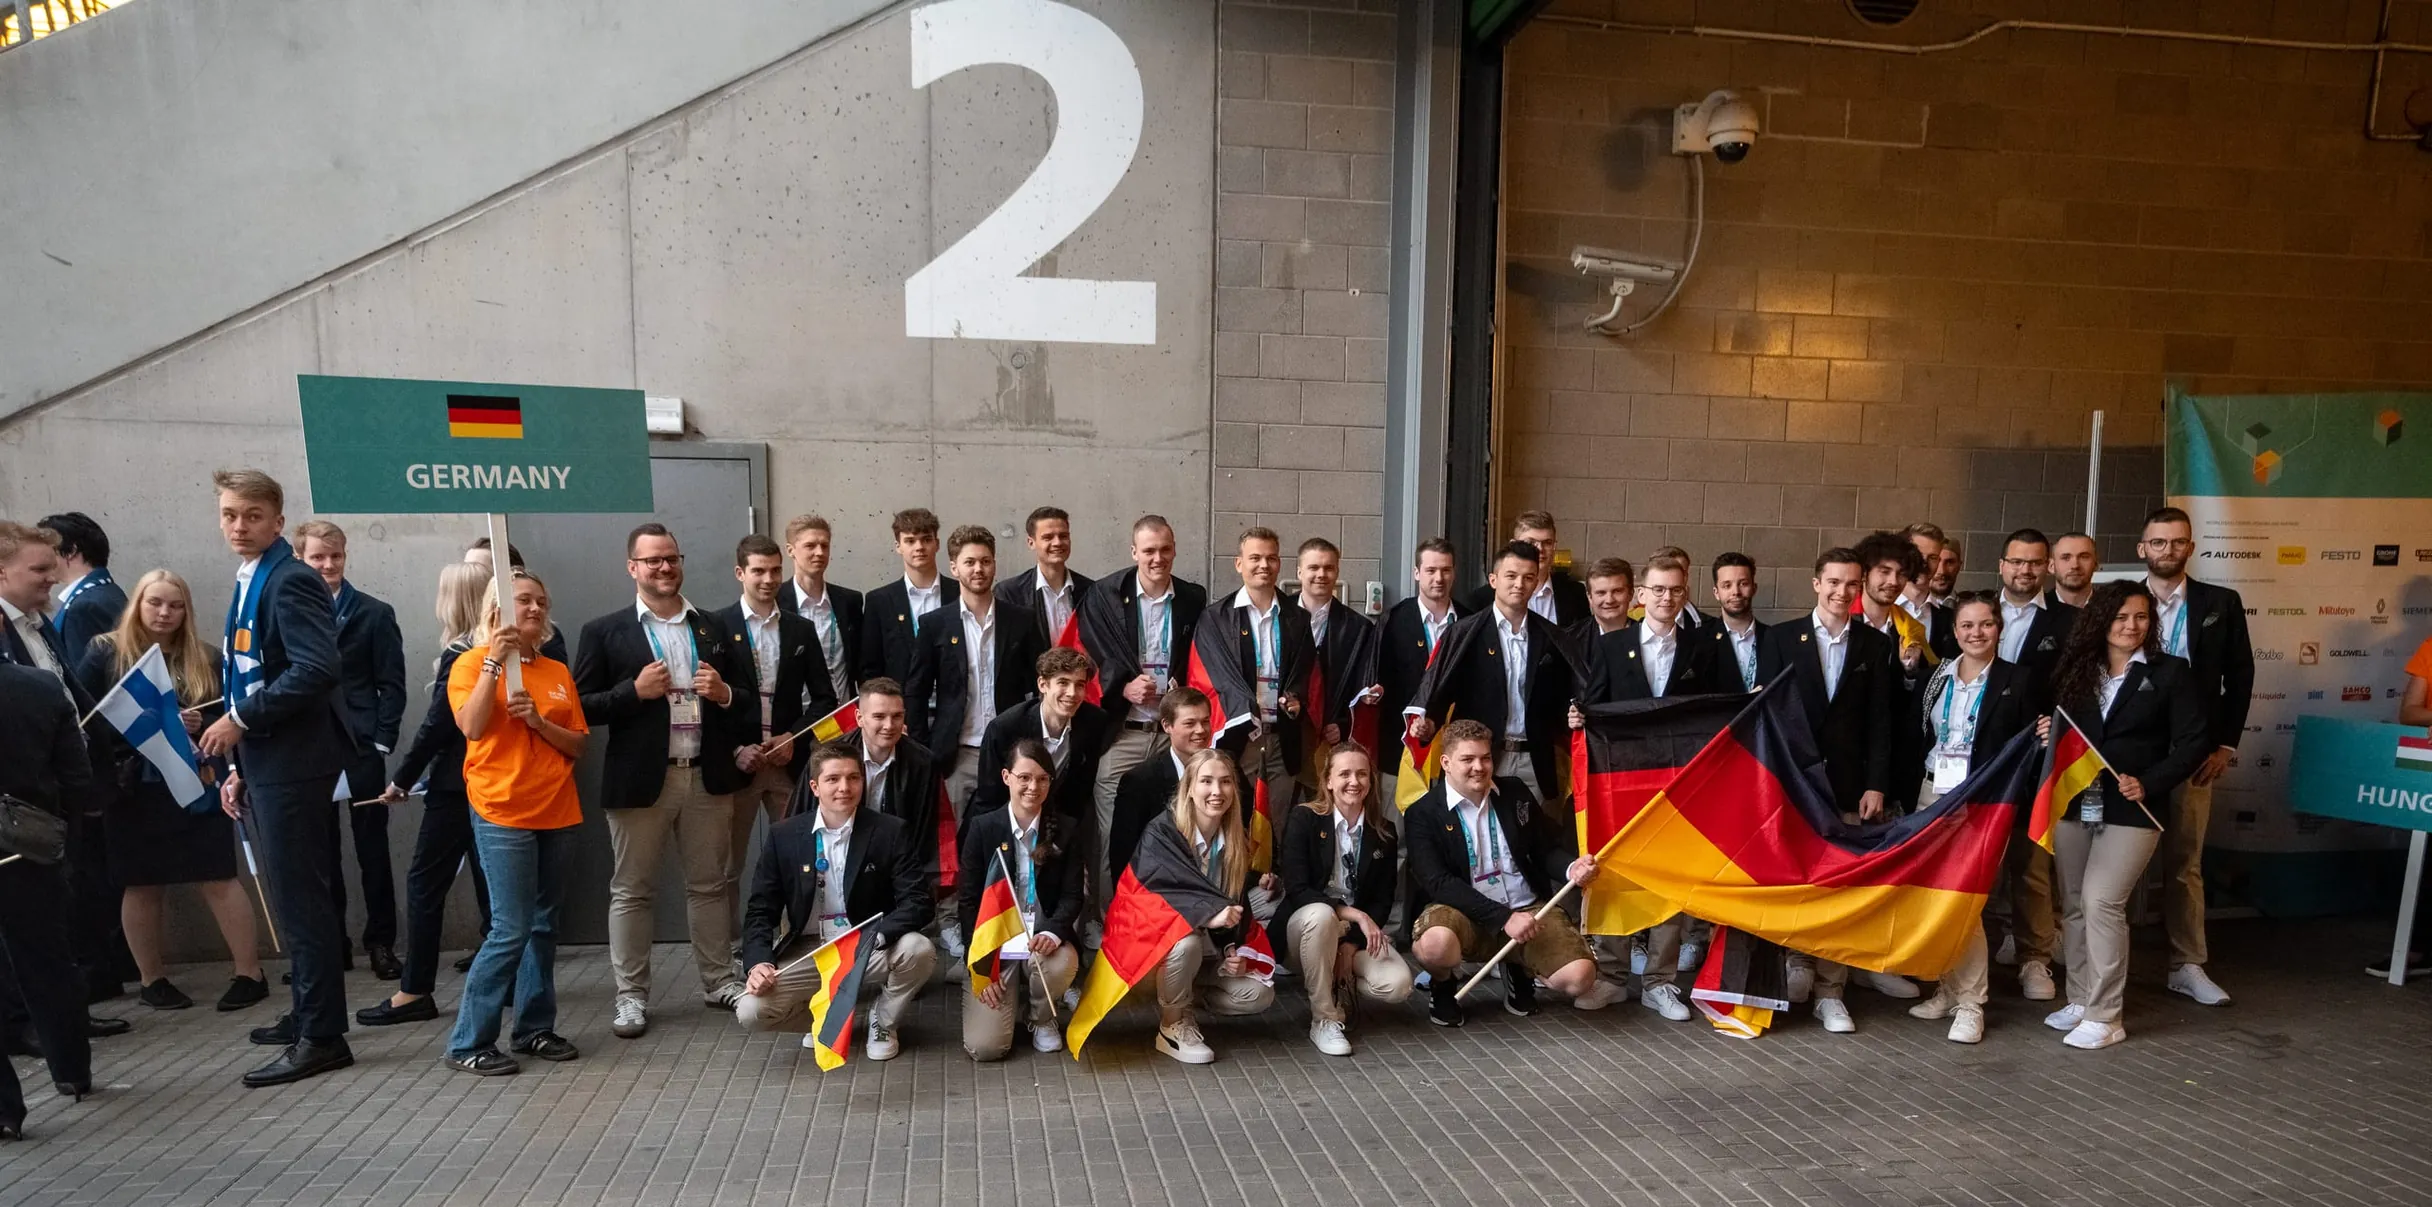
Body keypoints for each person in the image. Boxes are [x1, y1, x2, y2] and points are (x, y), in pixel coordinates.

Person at [194, 469, 359, 1087]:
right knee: (293, 897)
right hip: (268, 760)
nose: (240, 526)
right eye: (230, 514)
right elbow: (251, 672)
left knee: (302, 899)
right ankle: (308, 1014)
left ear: (278, 520)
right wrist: (238, 763)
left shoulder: (289, 578)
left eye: (253, 515)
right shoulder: (253, 575)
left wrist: (238, 723)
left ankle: (322, 1036)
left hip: (296, 762)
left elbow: (317, 669)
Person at [572, 523, 754, 1039]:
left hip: (705, 776)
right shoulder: (605, 632)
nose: (664, 568)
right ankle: (630, 996)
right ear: (633, 568)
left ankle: (719, 982)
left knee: (710, 887)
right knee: (632, 891)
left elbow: (743, 700)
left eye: (671, 558)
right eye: (651, 561)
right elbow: (581, 706)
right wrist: (632, 692)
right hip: (640, 782)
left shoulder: (714, 627)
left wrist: (722, 693)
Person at [74, 571, 267, 1013]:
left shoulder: (205, 657)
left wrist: (204, 727)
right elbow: (83, 719)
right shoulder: (106, 652)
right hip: (134, 789)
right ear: (137, 605)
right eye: (155, 603)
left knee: (218, 875)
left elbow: (229, 718)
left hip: (197, 784)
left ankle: (249, 972)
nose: (165, 613)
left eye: (175, 605)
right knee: (141, 884)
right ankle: (151, 979)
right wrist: (143, 726)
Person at [2044, 580, 2208, 1050]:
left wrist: (2151, 781)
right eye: (2120, 618)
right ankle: (2078, 998)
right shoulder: (2077, 671)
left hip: (2134, 806)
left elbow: (2194, 741)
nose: (2132, 626)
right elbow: (2062, 726)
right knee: (2073, 902)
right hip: (2076, 799)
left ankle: (2106, 1014)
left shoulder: (2171, 672)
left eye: (2141, 617)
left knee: (2102, 901)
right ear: (2101, 622)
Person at [442, 571, 588, 1075]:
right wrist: (491, 664)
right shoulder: (466, 664)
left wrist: (538, 722)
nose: (535, 608)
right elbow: (473, 726)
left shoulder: (555, 672)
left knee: (544, 926)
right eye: (523, 600)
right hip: (502, 809)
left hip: (557, 808)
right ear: (497, 608)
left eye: (541, 601)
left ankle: (534, 1029)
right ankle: (468, 1042)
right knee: (510, 927)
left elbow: (577, 744)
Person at [1755, 547, 1899, 1032]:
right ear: (1816, 583)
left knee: (1841, 884)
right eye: (1833, 582)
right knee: (1795, 882)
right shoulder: (1778, 638)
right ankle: (1796, 965)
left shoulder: (1875, 646)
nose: (1842, 592)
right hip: (1792, 783)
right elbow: (1767, 714)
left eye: (1852, 585)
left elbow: (1883, 723)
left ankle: (1831, 990)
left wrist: (1876, 784)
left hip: (1848, 788)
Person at [0, 520, 136, 1011]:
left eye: (53, 567)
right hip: (25, 802)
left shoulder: (44, 623)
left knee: (66, 909)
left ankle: (67, 1017)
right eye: (38, 569)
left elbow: (75, 701)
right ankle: (31, 1022)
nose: (51, 578)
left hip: (66, 795)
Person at [1577, 553, 1719, 1022]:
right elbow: (1593, 706)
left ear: (1685, 594)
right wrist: (1579, 717)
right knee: (1616, 875)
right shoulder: (1612, 647)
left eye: (1676, 590)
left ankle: (1660, 982)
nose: (1666, 598)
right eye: (1657, 590)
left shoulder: (1704, 647)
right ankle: (1614, 977)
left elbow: (1718, 709)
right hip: (1623, 781)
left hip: (1680, 787)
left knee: (1670, 881)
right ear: (1641, 595)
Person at [1406, 721, 1619, 1027]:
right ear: (1446, 763)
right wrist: (1503, 918)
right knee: (1435, 946)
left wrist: (1572, 867)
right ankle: (1443, 983)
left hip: (1528, 909)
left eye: (1485, 758)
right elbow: (1438, 882)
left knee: (1579, 979)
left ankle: (1516, 965)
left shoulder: (1515, 792)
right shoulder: (1423, 813)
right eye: (1468, 760)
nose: (1479, 767)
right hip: (1466, 912)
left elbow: (1545, 848)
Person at [738, 744, 937, 1060]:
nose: (844, 787)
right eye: (833, 779)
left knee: (919, 950)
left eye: (853, 778)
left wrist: (878, 936)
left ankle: (882, 1021)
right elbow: (761, 908)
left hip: (864, 947)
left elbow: (918, 900)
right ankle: (826, 1018)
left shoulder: (888, 830)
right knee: (750, 1009)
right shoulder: (784, 835)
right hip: (810, 950)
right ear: (815, 787)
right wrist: (759, 962)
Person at [363, 562, 495, 1025]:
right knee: (496, 888)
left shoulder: (463, 654)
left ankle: (415, 989)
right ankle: (506, 983)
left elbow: (437, 726)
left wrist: (400, 779)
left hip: (456, 787)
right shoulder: (525, 651)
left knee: (425, 885)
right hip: (499, 783)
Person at [1901, 592, 2033, 1043]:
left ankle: (1972, 1003)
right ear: (1954, 632)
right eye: (1967, 626)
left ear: (1999, 628)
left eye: (1986, 624)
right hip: (1933, 792)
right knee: (1934, 898)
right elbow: (1919, 733)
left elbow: (2030, 744)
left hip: (1983, 801)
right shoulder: (1938, 676)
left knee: (1965, 897)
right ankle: (1946, 988)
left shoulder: (2019, 680)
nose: (1977, 633)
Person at [2139, 506, 2253, 1008]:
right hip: (2130, 753)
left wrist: (2225, 744)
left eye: (2177, 542)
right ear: (2142, 548)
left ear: (2191, 547)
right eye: (2158, 543)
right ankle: (2103, 966)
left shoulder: (2219, 602)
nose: (2168, 550)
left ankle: (2187, 965)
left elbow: (2240, 676)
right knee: (2110, 866)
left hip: (2193, 753)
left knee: (2185, 863)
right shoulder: (2119, 602)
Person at [1078, 515, 1208, 914]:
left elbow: (1199, 655)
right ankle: (1107, 917)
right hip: (1125, 731)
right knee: (1111, 832)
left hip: (1174, 734)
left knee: (1184, 825)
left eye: (1164, 549)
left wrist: (1182, 689)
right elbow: (1089, 655)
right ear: (1134, 552)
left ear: (1174, 550)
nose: (1157, 558)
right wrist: (1122, 687)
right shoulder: (1104, 594)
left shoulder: (1191, 597)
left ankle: (1177, 914)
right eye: (1148, 550)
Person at [294, 520, 406, 981]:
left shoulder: (375, 613)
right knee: (319, 852)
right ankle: (331, 944)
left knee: (372, 850)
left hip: (360, 748)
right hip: (309, 747)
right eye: (318, 557)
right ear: (300, 558)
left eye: (335, 556)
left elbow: (391, 685)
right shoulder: (290, 610)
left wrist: (380, 739)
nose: (328, 565)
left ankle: (381, 943)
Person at [719, 534, 837, 937]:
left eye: (774, 571)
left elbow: (826, 699)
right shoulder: (718, 626)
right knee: (727, 866)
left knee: (799, 859)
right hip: (738, 766)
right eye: (758, 571)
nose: (768, 579)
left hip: (790, 764)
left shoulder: (801, 630)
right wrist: (736, 748)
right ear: (740, 574)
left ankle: (795, 940)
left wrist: (795, 737)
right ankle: (735, 948)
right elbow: (708, 703)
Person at [0, 660, 99, 1137]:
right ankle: (72, 1070)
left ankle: (3, 1111)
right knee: (48, 961)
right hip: (31, 849)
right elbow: (78, 779)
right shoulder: (40, 687)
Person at [1404, 542, 1580, 810]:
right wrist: (1428, 725)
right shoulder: (1465, 633)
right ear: (1493, 580)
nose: (1519, 584)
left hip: (1536, 761)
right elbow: (1441, 689)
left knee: (1537, 842)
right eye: (1511, 576)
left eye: (1528, 577)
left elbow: (1567, 695)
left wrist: (1573, 713)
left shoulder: (1552, 637)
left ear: (1536, 583)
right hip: (1479, 759)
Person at [1136, 749, 1275, 1064]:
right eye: (1207, 781)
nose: (1217, 791)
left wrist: (1231, 953)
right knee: (1186, 944)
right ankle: (1171, 1027)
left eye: (1225, 782)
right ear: (1189, 788)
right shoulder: (1163, 832)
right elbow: (1158, 896)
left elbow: (1237, 909)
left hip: (1207, 954)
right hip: (1159, 951)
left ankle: (1184, 1000)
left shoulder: (1234, 839)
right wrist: (1208, 913)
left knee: (1258, 994)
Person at [908, 525, 1046, 838]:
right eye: (969, 562)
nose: (978, 569)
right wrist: (924, 749)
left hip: (1012, 752)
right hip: (956, 755)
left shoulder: (1021, 620)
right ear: (954, 567)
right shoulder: (934, 625)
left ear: (994, 564)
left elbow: (1040, 683)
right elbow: (914, 692)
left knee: (1013, 835)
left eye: (985, 561)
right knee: (952, 845)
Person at [1989, 527, 2079, 1000]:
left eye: (2034, 562)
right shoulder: (1972, 613)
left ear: (2047, 567)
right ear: (2001, 565)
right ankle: (1964, 966)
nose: (2025, 570)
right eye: (2016, 561)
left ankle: (2034, 960)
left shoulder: (2070, 621)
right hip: (1976, 760)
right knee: (1975, 865)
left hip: (2036, 759)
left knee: (2031, 867)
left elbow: (2077, 690)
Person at [1275, 744, 1410, 1056]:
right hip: (1304, 928)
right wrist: (1355, 916)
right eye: (1345, 773)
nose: (1354, 781)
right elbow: (1297, 888)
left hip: (1350, 936)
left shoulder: (1384, 831)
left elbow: (1381, 900)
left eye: (1362, 774)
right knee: (1323, 914)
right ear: (1329, 781)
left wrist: (1351, 945)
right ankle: (1325, 1018)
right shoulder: (1304, 819)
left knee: (1398, 984)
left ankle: (1340, 983)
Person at [957, 738, 1086, 1060]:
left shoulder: (1066, 830)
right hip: (996, 941)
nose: (1033, 787)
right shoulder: (982, 828)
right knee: (985, 1048)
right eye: (1024, 777)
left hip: (1040, 940)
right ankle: (1010, 998)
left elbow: (1073, 896)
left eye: (1043, 779)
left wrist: (1053, 932)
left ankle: (1041, 1017)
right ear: (1006, 777)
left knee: (1061, 962)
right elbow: (969, 901)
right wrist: (981, 967)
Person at [1197, 527, 1314, 812]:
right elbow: (1218, 676)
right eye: (1255, 558)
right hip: (1240, 737)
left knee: (1276, 825)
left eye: (1271, 558)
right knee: (1236, 820)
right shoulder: (1217, 617)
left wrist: (1296, 698)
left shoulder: (1297, 617)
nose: (1264, 565)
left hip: (1282, 738)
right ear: (1239, 564)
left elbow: (1303, 671)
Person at [815, 679, 947, 921]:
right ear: (859, 718)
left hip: (894, 865)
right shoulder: (830, 758)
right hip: (835, 861)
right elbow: (803, 819)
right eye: (879, 716)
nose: (889, 725)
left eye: (897, 716)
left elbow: (923, 831)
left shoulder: (923, 763)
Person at [969, 647, 1109, 829]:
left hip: (1061, 822)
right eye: (1063, 683)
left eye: (1079, 685)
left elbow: (1081, 790)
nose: (1072, 693)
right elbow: (990, 797)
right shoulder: (1005, 728)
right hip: (1007, 820)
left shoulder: (1094, 722)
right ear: (1043, 685)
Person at [1375, 538, 1461, 797]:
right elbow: (1381, 684)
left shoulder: (1471, 622)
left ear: (1454, 573)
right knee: (1398, 832)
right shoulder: (1392, 621)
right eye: (1431, 570)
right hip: (1401, 751)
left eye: (1446, 570)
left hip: (1455, 753)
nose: (1439, 578)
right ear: (1416, 573)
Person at [1108, 686, 1216, 880]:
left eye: (1205, 721)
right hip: (1162, 893)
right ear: (1167, 726)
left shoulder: (1225, 770)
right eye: (1190, 723)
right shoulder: (1140, 781)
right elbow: (1123, 856)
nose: (1200, 730)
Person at [1293, 537, 1378, 758]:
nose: (1321, 574)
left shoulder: (1359, 629)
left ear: (1337, 572)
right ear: (1299, 572)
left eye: (1328, 568)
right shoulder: (1277, 615)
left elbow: (1361, 688)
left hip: (1331, 741)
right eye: (1313, 567)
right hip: (1285, 736)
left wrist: (1343, 724)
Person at [777, 514, 862, 705]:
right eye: (810, 546)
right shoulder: (775, 602)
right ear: (790, 550)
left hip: (842, 717)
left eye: (825, 545)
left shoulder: (849, 602)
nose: (820, 552)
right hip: (795, 720)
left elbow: (859, 663)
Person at [861, 507, 946, 688]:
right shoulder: (879, 601)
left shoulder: (958, 593)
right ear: (898, 546)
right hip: (900, 708)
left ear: (937, 544)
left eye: (926, 539)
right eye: (910, 541)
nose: (919, 547)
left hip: (952, 707)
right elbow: (870, 666)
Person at [1462, 511, 1589, 626]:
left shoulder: (1575, 594)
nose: (1540, 549)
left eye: (1547, 543)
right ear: (1513, 545)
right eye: (1530, 543)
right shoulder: (1480, 600)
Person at [997, 506, 1094, 648]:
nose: (1057, 543)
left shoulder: (1091, 591)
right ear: (1031, 543)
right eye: (1048, 537)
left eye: (1063, 536)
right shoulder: (1010, 593)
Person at [38, 512, 125, 666]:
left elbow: (83, 678)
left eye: (45, 550)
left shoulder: (85, 607)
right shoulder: (108, 590)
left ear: (71, 551)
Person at [1702, 552, 1766, 693]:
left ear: (1754, 588)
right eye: (1727, 585)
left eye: (1743, 584)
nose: (1736, 591)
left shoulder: (1773, 638)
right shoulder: (1701, 641)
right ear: (1716, 592)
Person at [1898, 524, 1957, 659]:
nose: (1923, 563)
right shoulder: (1883, 610)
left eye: (1933, 557)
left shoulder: (1950, 619)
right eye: (1917, 554)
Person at [1582, 557, 1634, 638]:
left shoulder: (1646, 636)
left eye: (1617, 591)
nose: (1609, 600)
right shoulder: (1570, 641)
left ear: (1631, 593)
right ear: (1590, 597)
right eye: (1601, 593)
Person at [2047, 532, 2098, 608]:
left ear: (2096, 564)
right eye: (2066, 558)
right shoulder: (2036, 611)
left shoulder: (2114, 609)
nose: (2075, 566)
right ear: (2051, 566)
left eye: (2084, 557)